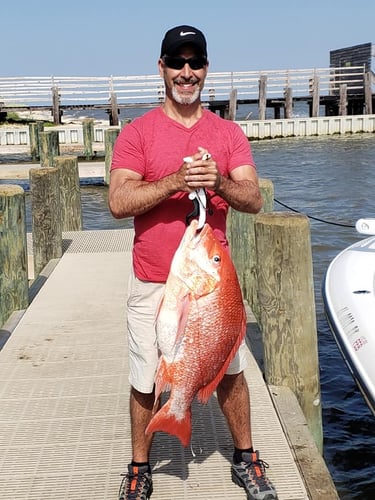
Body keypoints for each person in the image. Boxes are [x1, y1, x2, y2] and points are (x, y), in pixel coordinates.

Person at [109, 25, 278, 500]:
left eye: (195, 63)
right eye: (177, 63)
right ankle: (140, 468)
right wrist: (174, 181)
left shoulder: (228, 133)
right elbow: (119, 202)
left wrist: (220, 183)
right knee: (146, 378)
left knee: (229, 371)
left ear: (206, 69)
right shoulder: (137, 133)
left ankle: (246, 459)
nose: (187, 73)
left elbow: (252, 199)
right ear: (161, 67)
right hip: (152, 280)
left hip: (212, 285)